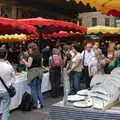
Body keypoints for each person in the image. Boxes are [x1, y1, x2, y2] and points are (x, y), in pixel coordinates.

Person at [21, 42, 43, 109]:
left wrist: (23, 60)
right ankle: (41, 103)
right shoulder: (40, 55)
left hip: (33, 73)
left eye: (29, 48)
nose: (28, 50)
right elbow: (41, 65)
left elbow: (28, 65)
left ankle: (35, 104)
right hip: (39, 72)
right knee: (39, 89)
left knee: (33, 89)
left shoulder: (31, 56)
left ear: (31, 48)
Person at [0, 48, 15, 120]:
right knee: (5, 110)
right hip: (6, 90)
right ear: (6, 55)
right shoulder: (8, 66)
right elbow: (13, 78)